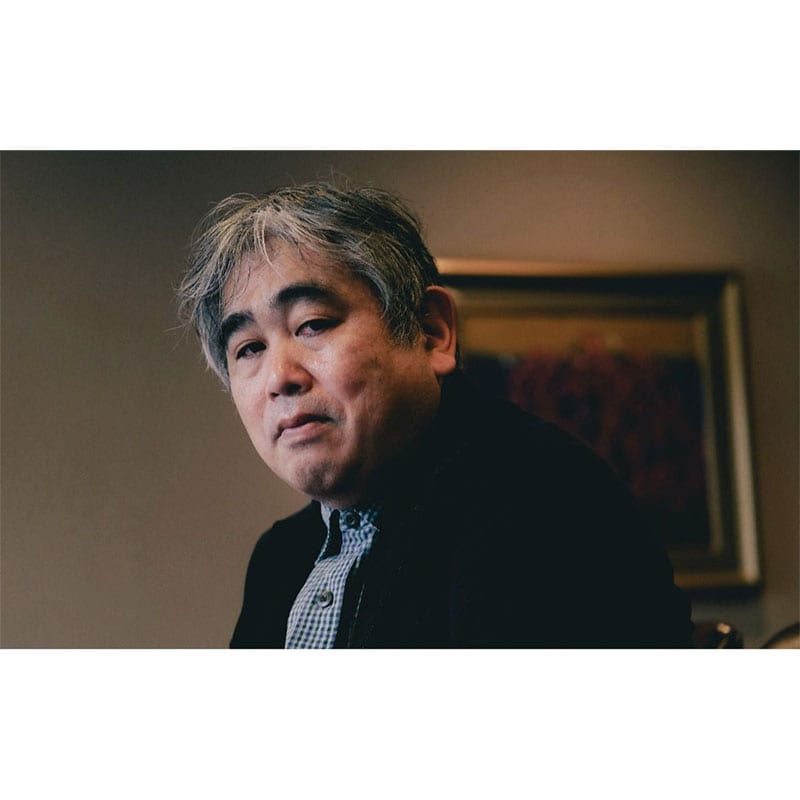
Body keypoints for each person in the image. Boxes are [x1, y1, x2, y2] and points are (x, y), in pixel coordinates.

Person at [178, 181, 694, 648]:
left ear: (430, 332)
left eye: (312, 324)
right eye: (248, 348)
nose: (279, 377)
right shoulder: (280, 557)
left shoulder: (545, 501)